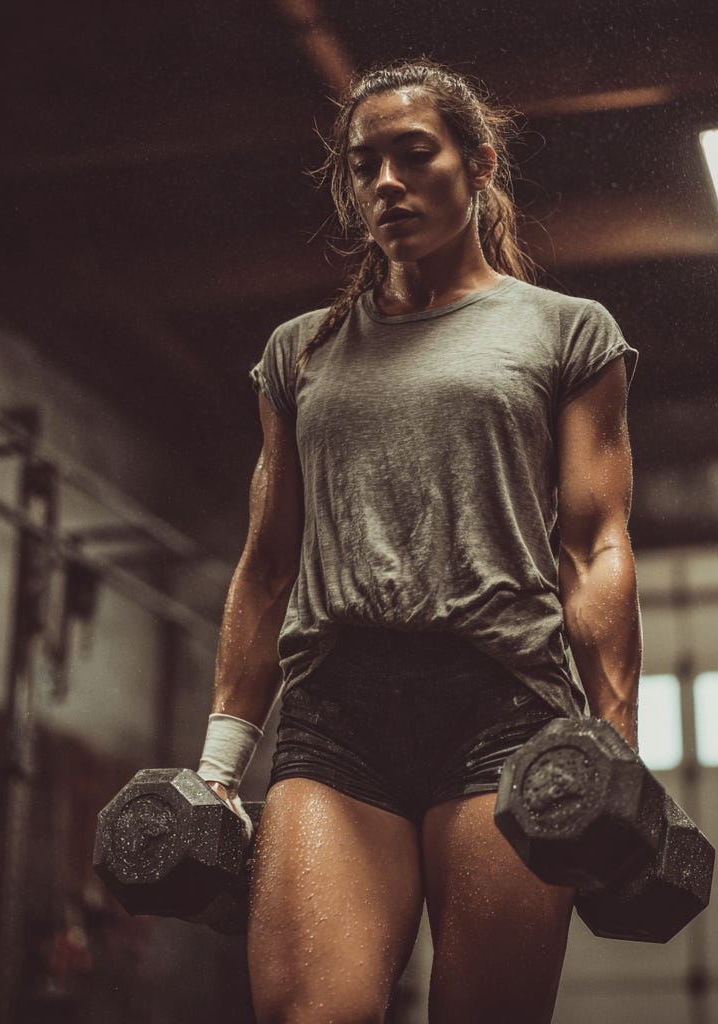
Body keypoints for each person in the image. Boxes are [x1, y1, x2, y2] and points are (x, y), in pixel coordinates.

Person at [195, 59, 641, 1024]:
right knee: (310, 1013)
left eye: (414, 154)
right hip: (335, 713)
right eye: (364, 167)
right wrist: (219, 766)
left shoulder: (565, 332)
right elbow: (269, 563)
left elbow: (595, 544)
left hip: (505, 707)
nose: (385, 183)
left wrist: (616, 745)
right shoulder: (300, 351)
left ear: (478, 166)